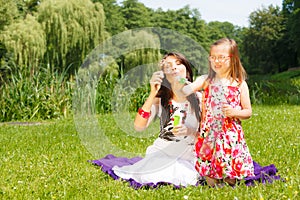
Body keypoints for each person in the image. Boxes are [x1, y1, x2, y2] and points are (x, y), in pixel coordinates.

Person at [91, 52, 203, 188]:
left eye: (178, 64)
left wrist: (190, 131)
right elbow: (139, 126)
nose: (174, 68)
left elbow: (208, 136)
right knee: (155, 173)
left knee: (182, 175)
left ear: (187, 71)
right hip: (162, 153)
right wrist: (152, 94)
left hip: (187, 157)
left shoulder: (199, 99)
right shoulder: (161, 100)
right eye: (168, 66)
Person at [181, 38, 257, 187]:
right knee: (209, 162)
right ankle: (213, 186)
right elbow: (187, 90)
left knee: (228, 162)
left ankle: (229, 183)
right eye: (213, 57)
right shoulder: (206, 80)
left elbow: (248, 112)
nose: (216, 61)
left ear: (233, 59)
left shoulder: (239, 84)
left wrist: (235, 111)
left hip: (229, 133)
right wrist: (180, 80)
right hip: (209, 131)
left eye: (221, 57)